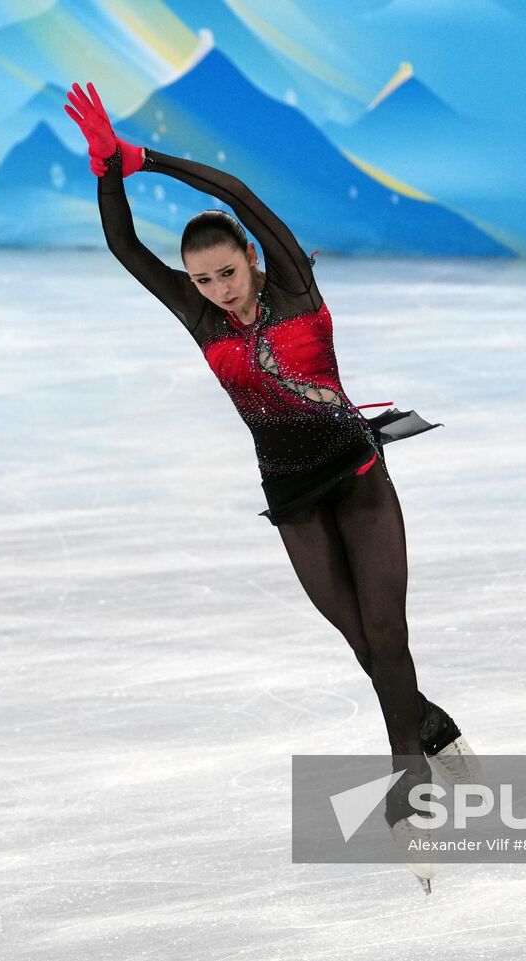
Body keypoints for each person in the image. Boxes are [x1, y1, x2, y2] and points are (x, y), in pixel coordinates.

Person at [64, 81, 476, 892]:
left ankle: (410, 801)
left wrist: (145, 159)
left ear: (248, 258)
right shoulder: (202, 320)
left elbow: (240, 195)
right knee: (363, 646)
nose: (218, 288)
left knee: (387, 635)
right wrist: (107, 173)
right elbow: (124, 249)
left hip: (358, 479)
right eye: (203, 280)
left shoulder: (292, 285)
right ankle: (434, 724)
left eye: (225, 271)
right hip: (293, 501)